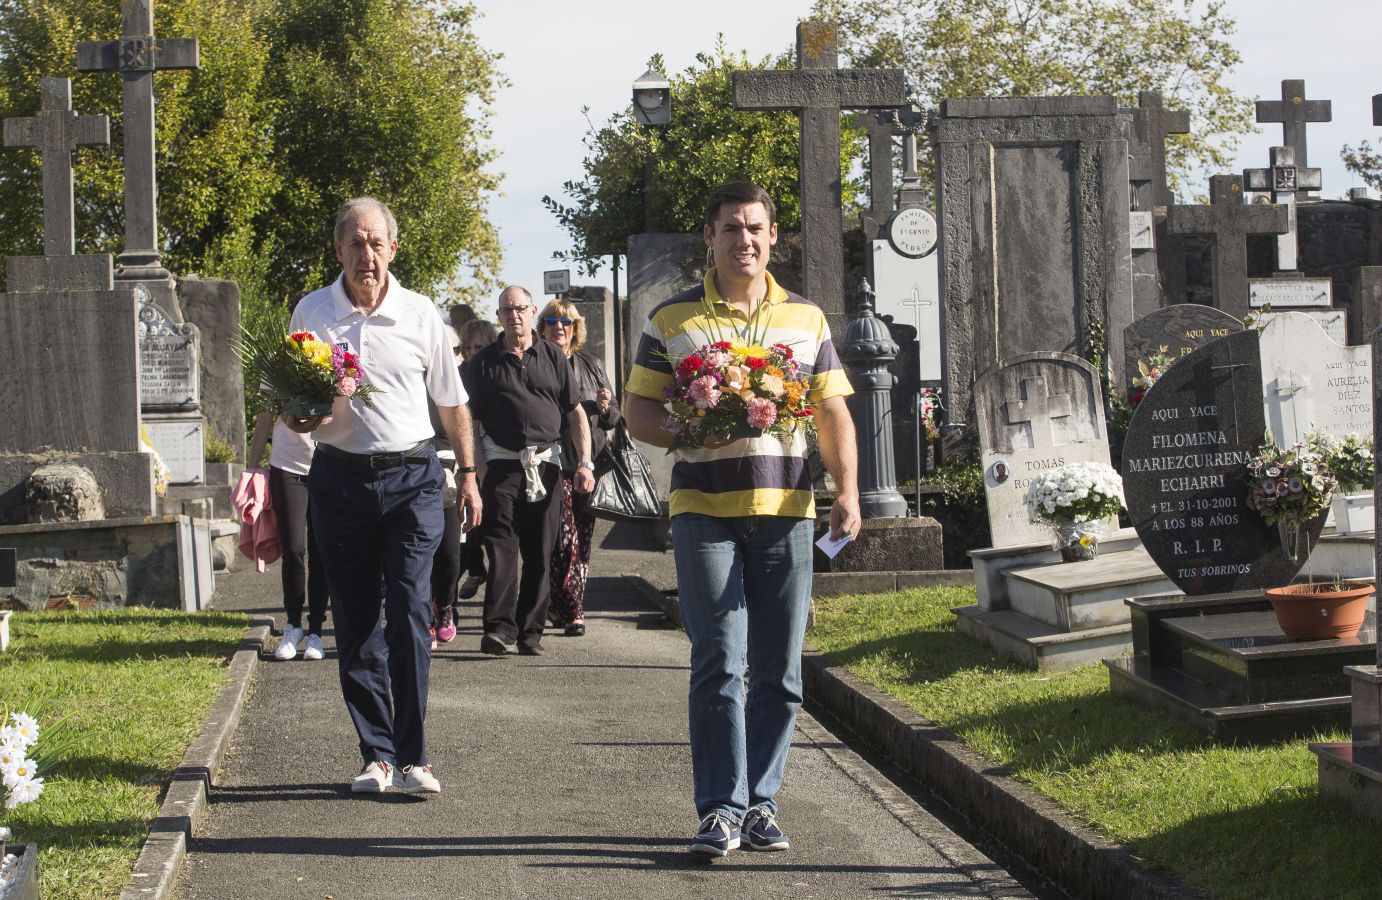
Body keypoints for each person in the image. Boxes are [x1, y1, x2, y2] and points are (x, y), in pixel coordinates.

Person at [624, 181, 860, 857]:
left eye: (755, 228)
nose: (744, 240)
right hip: (703, 511)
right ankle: (719, 809)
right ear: (710, 237)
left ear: (774, 236)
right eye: (730, 228)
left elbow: (832, 411)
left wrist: (848, 491)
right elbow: (638, 411)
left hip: (786, 510)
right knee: (718, 662)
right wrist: (691, 427)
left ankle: (762, 802)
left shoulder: (807, 321)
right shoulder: (672, 319)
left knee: (781, 670)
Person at [287, 197, 481, 797]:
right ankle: (376, 754)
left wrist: (469, 473)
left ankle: (414, 755)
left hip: (413, 480)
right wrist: (303, 419)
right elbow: (295, 407)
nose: (366, 255)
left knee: (408, 607)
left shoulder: (421, 315)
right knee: (356, 619)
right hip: (340, 479)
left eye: (376, 243)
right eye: (354, 243)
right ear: (338, 250)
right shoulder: (312, 313)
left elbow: (451, 402)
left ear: (393, 249)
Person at [463, 286, 594, 657]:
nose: (514, 316)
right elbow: (470, 419)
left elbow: (575, 412)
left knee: (540, 551)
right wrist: (476, 467)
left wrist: (585, 462)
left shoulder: (554, 357)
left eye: (520, 309)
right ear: (499, 316)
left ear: (531, 311)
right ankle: (498, 630)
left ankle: (529, 633)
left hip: (546, 464)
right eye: (507, 310)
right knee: (501, 546)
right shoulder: (484, 362)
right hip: (500, 464)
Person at [537, 299, 620, 637]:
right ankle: (568, 609)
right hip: (550, 463)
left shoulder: (591, 363)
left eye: (567, 322)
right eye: (553, 321)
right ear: (542, 327)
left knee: (580, 541)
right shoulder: (536, 362)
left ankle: (568, 606)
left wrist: (605, 406)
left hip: (589, 465)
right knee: (561, 539)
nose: (560, 327)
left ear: (575, 328)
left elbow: (614, 417)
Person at [246, 411, 327, 661]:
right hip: (286, 464)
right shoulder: (273, 371)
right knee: (293, 547)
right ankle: (293, 625)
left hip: (328, 461)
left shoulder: (339, 369)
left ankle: (316, 631)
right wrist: (251, 467)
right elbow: (265, 416)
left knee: (321, 549)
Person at [456, 318, 497, 601]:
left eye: (478, 347)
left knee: (488, 524)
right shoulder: (457, 373)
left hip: (494, 454)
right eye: (467, 347)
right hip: (465, 454)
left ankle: (478, 570)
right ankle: (473, 568)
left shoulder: (497, 370)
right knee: (466, 523)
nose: (472, 353)